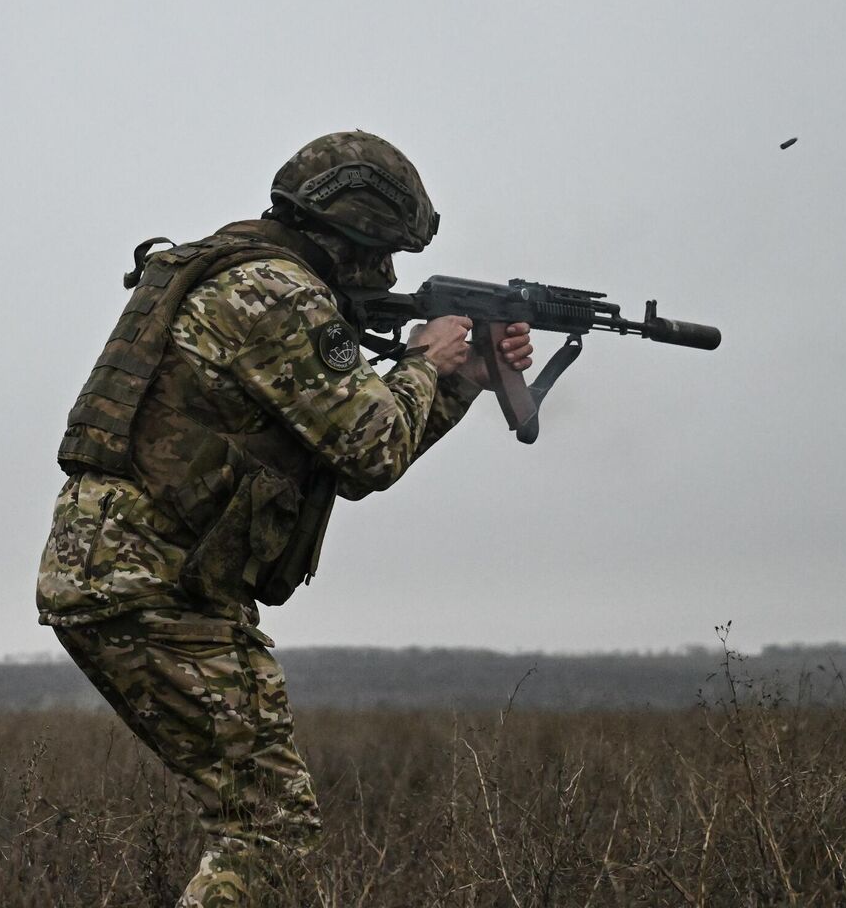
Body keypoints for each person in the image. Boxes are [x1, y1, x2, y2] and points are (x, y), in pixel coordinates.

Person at [37, 131, 534, 906]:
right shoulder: (277, 293)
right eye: (383, 254)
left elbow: (359, 454)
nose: (389, 275)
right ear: (351, 234)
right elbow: (371, 444)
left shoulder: (253, 276)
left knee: (264, 822)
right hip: (152, 586)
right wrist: (422, 363)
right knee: (268, 831)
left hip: (144, 579)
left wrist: (462, 379)